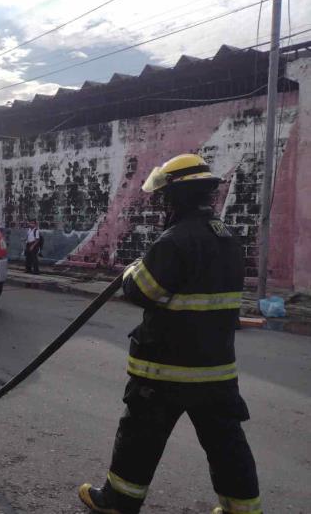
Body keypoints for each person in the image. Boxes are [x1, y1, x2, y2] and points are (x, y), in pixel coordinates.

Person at [78, 154, 261, 514]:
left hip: (164, 370)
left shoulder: (174, 241)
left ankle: (118, 502)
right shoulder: (227, 239)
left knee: (140, 438)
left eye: (164, 197)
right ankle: (242, 509)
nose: (161, 204)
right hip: (217, 370)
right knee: (226, 444)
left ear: (175, 198)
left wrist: (132, 271)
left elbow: (141, 291)